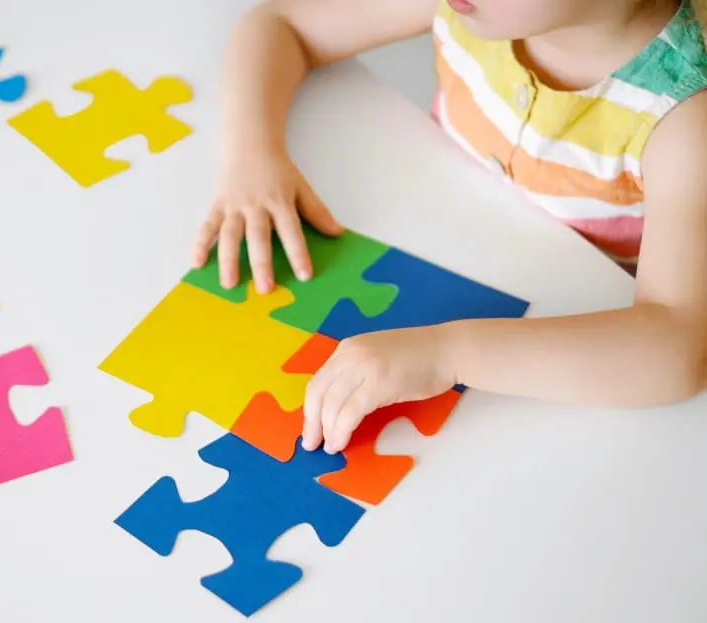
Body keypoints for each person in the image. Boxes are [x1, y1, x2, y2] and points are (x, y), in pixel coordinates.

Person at [190, 0, 707, 455]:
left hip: (568, 341)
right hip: (440, 257)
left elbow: (677, 347)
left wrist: (450, 355)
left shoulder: (685, 116)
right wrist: (253, 152)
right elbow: (279, 22)